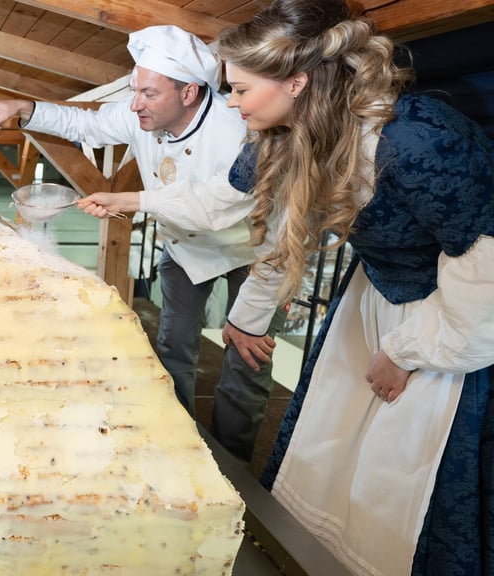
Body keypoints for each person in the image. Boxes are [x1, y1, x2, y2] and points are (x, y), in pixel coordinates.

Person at [216, 0, 494, 573]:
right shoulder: (289, 133)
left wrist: (405, 351)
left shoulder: (418, 141)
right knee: (333, 450)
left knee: (401, 470)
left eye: (240, 89)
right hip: (371, 300)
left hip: (453, 322)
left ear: (295, 82)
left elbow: (483, 270)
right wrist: (247, 316)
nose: (233, 101)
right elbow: (282, 232)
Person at [0, 25, 287, 463]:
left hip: (255, 252)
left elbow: (214, 206)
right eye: (135, 91)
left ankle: (231, 464)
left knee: (246, 363)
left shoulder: (237, 127)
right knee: (172, 349)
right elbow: (86, 123)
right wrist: (25, 108)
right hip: (185, 250)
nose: (134, 104)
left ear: (188, 93)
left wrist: (129, 199)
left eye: (148, 93)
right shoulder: (141, 114)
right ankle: (178, 447)